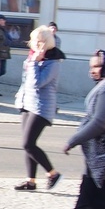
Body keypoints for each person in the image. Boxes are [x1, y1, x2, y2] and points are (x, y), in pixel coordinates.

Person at [43, 49, 105, 209]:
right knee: (89, 192)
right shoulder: (104, 85)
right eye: (91, 67)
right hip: (97, 154)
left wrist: (73, 140)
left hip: (104, 153)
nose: (92, 71)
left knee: (99, 196)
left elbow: (100, 122)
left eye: (97, 66)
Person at [13, 25, 65, 191]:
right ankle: (31, 181)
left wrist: (35, 62)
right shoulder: (32, 58)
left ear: (48, 42)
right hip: (27, 103)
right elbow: (25, 82)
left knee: (28, 144)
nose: (36, 44)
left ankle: (52, 173)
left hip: (41, 107)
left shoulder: (52, 61)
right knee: (28, 145)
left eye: (41, 41)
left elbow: (37, 83)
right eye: (35, 40)